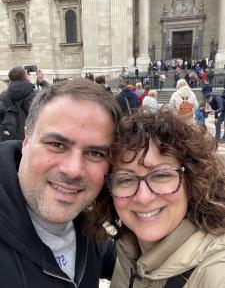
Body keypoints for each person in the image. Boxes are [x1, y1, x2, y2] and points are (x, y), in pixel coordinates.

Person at [0, 77, 121, 287]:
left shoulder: (89, 222)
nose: (73, 170)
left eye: (94, 153)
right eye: (56, 144)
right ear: (26, 140)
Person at [100, 109, 225, 287]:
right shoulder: (128, 254)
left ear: (192, 181)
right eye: (126, 179)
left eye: (161, 176)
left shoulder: (216, 274)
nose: (143, 198)